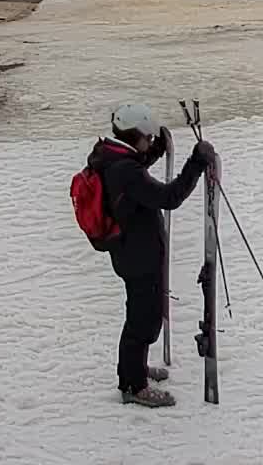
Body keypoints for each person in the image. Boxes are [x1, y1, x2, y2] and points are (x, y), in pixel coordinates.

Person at [88, 103, 214, 408]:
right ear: (136, 136)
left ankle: (135, 370)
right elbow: (168, 197)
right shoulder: (125, 171)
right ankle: (133, 385)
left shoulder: (109, 155)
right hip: (139, 256)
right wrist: (195, 163)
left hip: (129, 251)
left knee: (140, 316)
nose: (149, 141)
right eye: (148, 137)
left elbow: (135, 171)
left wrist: (155, 151)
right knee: (142, 323)